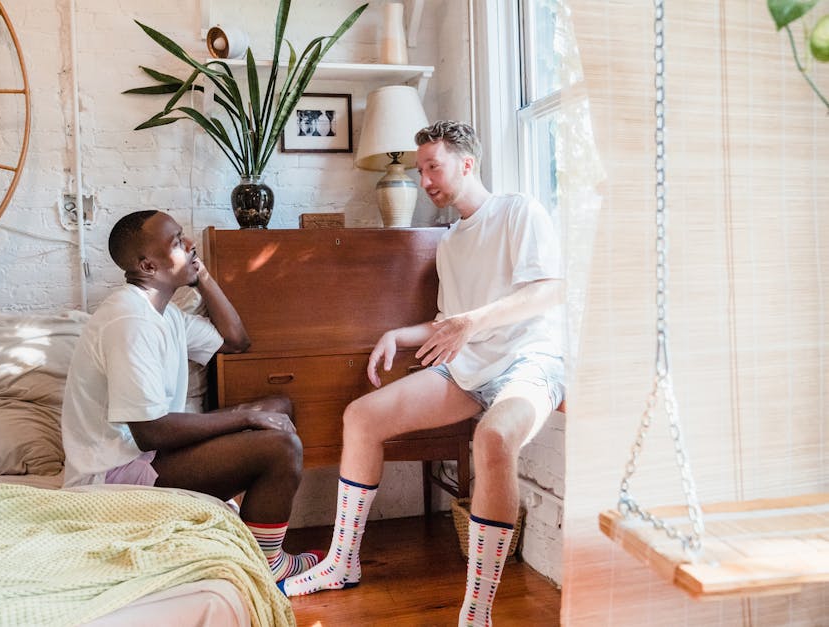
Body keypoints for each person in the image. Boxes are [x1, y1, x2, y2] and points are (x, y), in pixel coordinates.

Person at [279, 121, 565, 626]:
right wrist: (399, 336)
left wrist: (471, 322)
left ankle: (476, 612)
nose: (426, 179)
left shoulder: (519, 211)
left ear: (467, 163)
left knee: (494, 439)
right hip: (468, 370)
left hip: (530, 361)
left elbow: (547, 292)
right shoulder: (451, 241)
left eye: (434, 166)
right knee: (362, 416)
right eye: (421, 169)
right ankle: (341, 563)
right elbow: (446, 323)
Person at [61, 209, 323, 582]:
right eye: (176, 242)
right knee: (280, 447)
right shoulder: (129, 320)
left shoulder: (164, 314)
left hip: (149, 456)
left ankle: (249, 541)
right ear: (149, 265)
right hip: (111, 478)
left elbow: (236, 342)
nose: (189, 245)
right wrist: (246, 416)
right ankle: (268, 565)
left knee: (279, 406)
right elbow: (150, 432)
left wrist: (202, 277)